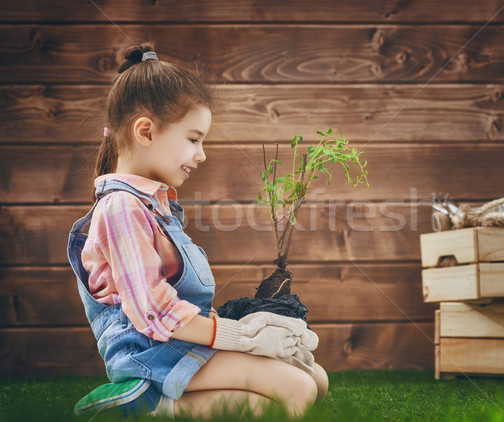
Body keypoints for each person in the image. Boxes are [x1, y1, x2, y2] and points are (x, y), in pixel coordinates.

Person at [67, 43, 328, 419]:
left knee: (315, 378)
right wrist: (243, 338)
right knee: (297, 389)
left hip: (181, 343)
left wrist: (244, 333)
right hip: (150, 354)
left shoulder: (157, 205)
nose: (201, 154)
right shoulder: (121, 208)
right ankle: (148, 409)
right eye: (193, 139)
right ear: (146, 131)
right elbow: (154, 313)